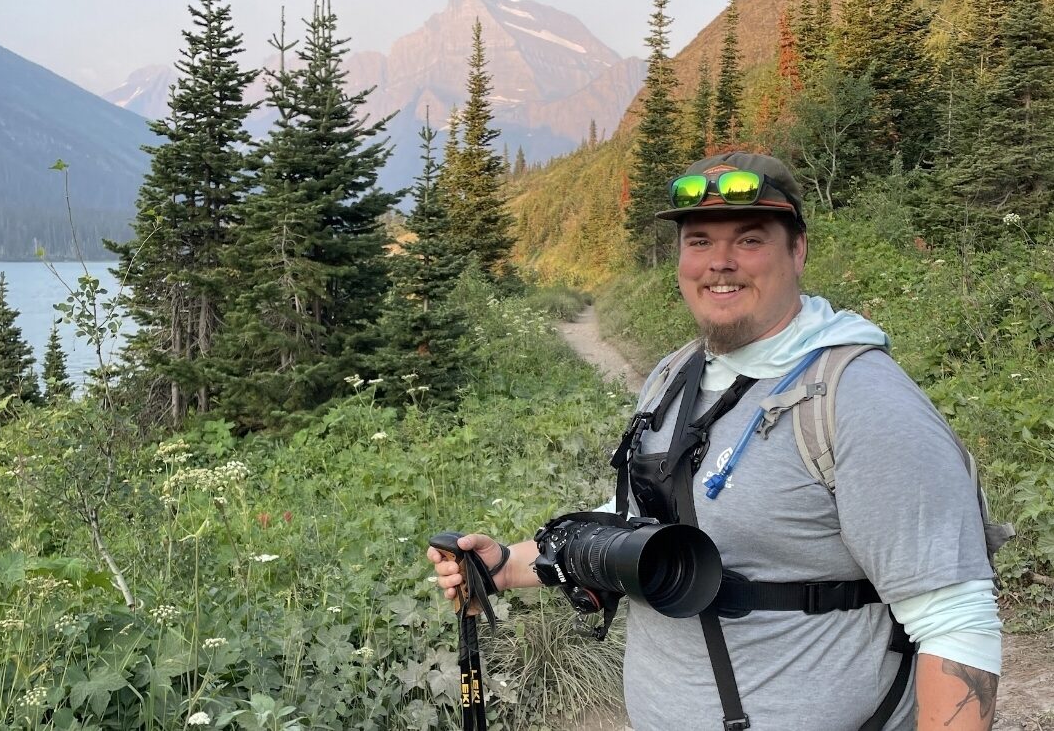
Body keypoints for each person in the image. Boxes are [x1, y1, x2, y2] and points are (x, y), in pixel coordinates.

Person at [427, 153, 1001, 731]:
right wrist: (505, 566)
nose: (719, 264)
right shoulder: (675, 374)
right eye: (699, 241)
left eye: (749, 239)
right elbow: (645, 517)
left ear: (797, 250)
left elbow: (955, 618)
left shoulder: (857, 399)